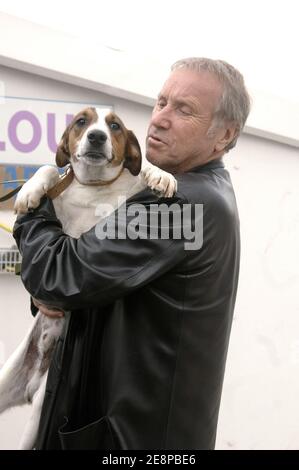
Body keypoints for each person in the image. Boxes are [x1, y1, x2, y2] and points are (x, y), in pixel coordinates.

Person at [13, 57, 250, 450]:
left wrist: (34, 208)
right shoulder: (196, 195)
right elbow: (84, 280)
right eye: (161, 102)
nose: (159, 118)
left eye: (184, 109)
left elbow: (59, 275)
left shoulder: (181, 205)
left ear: (223, 135)